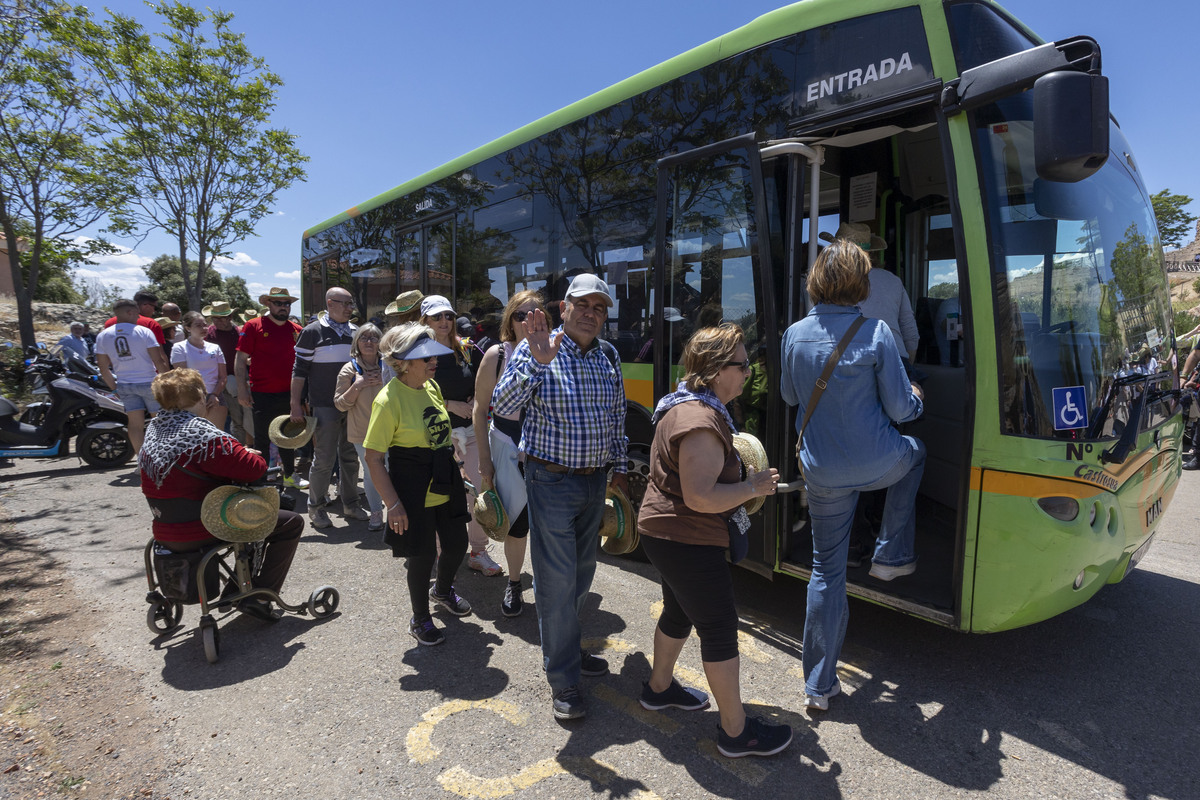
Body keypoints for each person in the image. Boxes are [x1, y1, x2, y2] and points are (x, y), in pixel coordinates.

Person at [780, 238, 926, 712]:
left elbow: (787, 396)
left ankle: (819, 687)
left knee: (826, 571)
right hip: (880, 463)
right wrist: (918, 395)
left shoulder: (794, 334)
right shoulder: (878, 332)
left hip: (822, 472)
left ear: (818, 281)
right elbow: (902, 409)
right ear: (861, 284)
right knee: (917, 451)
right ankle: (890, 552)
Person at [636, 323, 791, 756]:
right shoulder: (701, 420)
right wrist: (752, 487)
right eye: (742, 365)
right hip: (684, 537)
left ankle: (658, 688)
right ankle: (737, 733)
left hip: (666, 533)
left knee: (678, 611)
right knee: (719, 628)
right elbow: (700, 496)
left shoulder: (687, 405)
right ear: (717, 369)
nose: (748, 373)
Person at [492, 273, 628, 721]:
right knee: (555, 581)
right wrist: (537, 361)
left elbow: (617, 418)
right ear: (563, 308)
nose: (591, 314)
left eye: (600, 308)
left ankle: (567, 649)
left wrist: (620, 471)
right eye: (583, 305)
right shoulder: (539, 348)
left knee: (583, 575)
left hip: (594, 481)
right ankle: (564, 679)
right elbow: (502, 404)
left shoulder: (608, 355)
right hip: (549, 481)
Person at [139, 368, 302, 621]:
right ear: (199, 397)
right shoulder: (202, 435)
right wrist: (247, 454)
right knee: (290, 521)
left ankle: (237, 587)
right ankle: (258, 595)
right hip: (205, 527)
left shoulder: (153, 431)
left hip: (165, 529)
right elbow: (253, 470)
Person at [363, 323, 472, 646]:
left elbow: (440, 434)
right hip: (411, 483)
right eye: (425, 358)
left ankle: (442, 592)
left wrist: (458, 468)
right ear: (403, 363)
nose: (433, 362)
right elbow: (372, 459)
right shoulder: (388, 399)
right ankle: (420, 618)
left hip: (444, 475)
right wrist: (392, 505)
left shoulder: (431, 387)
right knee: (422, 555)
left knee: (456, 545)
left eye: (433, 356)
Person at [473, 290, 546, 617]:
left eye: (536, 315)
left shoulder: (557, 353)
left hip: (547, 450)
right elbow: (478, 409)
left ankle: (549, 587)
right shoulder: (497, 355)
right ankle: (514, 583)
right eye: (521, 315)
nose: (529, 322)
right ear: (510, 321)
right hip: (506, 445)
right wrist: (484, 460)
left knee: (549, 526)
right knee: (517, 524)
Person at [421, 295, 500, 575]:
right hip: (438, 436)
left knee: (480, 493)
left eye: (448, 316)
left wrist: (476, 402)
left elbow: (487, 379)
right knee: (444, 497)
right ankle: (443, 557)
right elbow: (412, 394)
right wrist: (450, 405)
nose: (444, 321)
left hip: (472, 432)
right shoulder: (417, 352)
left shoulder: (466, 348)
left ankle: (478, 552)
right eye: (436, 317)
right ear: (425, 321)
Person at [292, 287, 365, 529]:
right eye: (345, 303)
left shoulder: (356, 332)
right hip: (324, 405)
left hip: (352, 405)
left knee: (350, 456)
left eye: (351, 303)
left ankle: (350, 503)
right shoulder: (312, 332)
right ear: (330, 303)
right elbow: (299, 372)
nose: (350, 308)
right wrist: (295, 405)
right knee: (323, 458)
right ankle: (316, 508)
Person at [235, 288, 309, 490]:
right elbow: (240, 360)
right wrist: (242, 389)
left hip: (290, 394)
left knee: (288, 436)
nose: (284, 307)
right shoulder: (253, 326)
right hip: (262, 393)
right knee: (262, 439)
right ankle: (260, 479)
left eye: (287, 303)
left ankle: (289, 475)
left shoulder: (296, 330)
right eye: (279, 303)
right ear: (268, 303)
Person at [823, 222, 919, 366]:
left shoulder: (832, 281)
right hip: (895, 356)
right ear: (870, 252)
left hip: (851, 361)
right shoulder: (893, 280)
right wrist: (906, 367)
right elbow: (909, 330)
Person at [95, 298, 169, 450]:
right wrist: (168, 381)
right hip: (149, 382)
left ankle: (141, 461)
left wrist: (114, 388)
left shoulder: (103, 336)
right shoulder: (144, 332)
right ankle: (162, 457)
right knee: (160, 421)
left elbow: (103, 368)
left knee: (135, 424)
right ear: (129, 312)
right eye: (137, 314)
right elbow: (158, 360)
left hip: (124, 384)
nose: (138, 317)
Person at [334, 324, 388, 531]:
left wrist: (388, 380)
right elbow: (339, 403)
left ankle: (394, 510)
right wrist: (358, 385)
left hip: (392, 431)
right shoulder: (349, 369)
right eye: (364, 337)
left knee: (392, 470)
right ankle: (376, 511)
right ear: (356, 342)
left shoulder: (389, 366)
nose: (369, 342)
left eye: (374, 338)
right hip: (363, 433)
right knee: (372, 473)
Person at [204, 301, 252, 444]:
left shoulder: (239, 332)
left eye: (221, 317)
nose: (217, 321)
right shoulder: (208, 334)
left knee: (240, 418)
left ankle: (242, 448)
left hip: (236, 381)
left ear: (230, 317)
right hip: (214, 383)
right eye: (215, 317)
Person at [171, 311, 228, 429]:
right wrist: (200, 398)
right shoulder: (179, 348)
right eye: (198, 325)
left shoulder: (215, 348)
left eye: (205, 324)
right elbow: (183, 376)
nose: (204, 328)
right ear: (187, 328)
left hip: (214, 396)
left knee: (217, 435)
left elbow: (223, 377)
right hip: (191, 398)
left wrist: (214, 394)